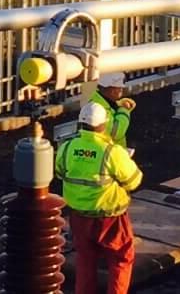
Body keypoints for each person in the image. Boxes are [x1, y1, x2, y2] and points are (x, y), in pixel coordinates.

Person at [55, 101, 143, 294]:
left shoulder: (67, 147)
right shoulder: (113, 152)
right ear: (104, 125)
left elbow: (60, 172)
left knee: (85, 260)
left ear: (80, 124)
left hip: (79, 217)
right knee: (121, 259)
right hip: (110, 217)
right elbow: (134, 181)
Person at [89, 71, 136, 147]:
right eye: (118, 87)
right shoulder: (98, 109)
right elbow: (116, 132)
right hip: (108, 155)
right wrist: (124, 110)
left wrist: (118, 104)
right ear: (108, 88)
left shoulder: (101, 102)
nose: (121, 89)